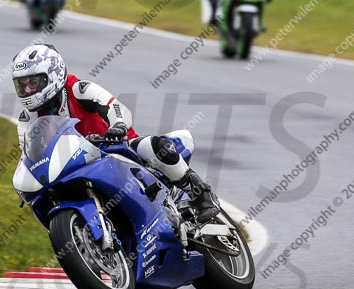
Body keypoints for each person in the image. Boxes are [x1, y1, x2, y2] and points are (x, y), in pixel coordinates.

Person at [12, 43, 220, 224]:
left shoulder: (79, 89)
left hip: (116, 147)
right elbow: (29, 152)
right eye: (23, 85)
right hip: (74, 163)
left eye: (34, 83)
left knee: (156, 146)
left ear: (53, 75)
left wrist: (118, 126)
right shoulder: (27, 118)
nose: (29, 90)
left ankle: (201, 194)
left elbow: (114, 107)